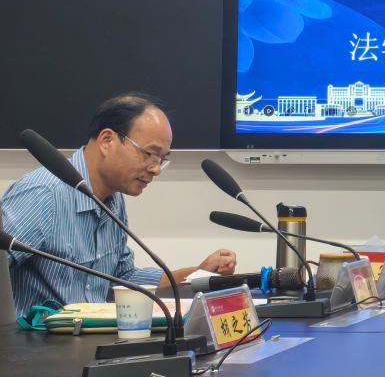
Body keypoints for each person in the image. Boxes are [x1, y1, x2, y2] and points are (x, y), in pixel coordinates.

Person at [2, 92, 237, 321]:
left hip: (92, 341)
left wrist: (198, 273)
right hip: (36, 344)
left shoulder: (112, 199)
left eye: (162, 159)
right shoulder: (43, 194)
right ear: (107, 141)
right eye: (150, 154)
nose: (156, 169)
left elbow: (123, 278)